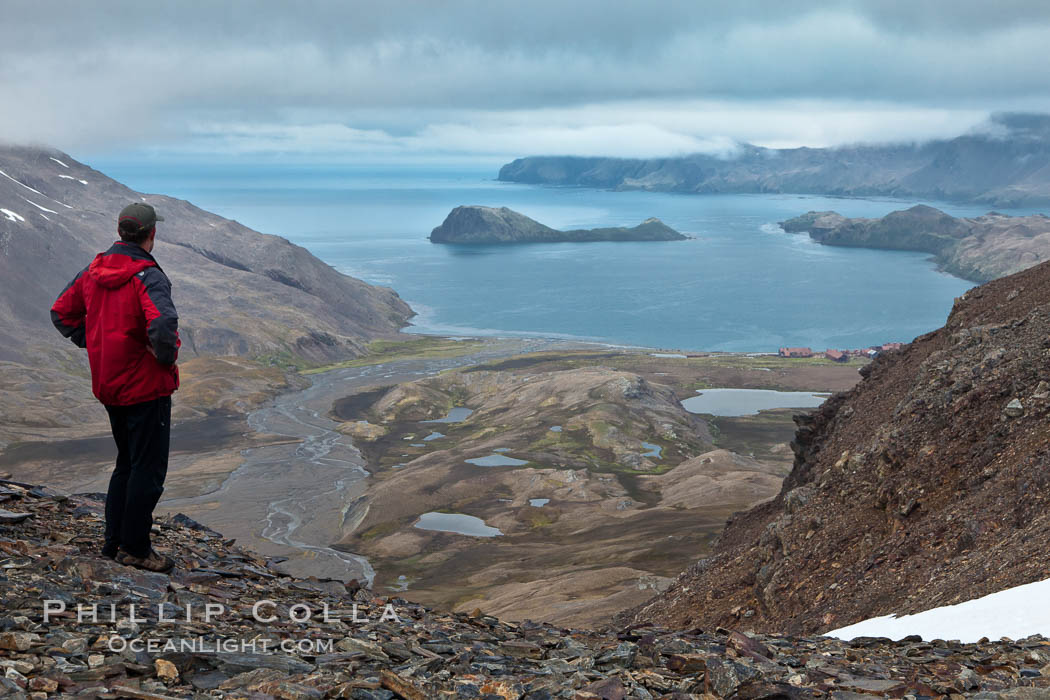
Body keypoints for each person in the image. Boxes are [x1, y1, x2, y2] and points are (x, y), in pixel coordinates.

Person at [51, 203, 180, 573]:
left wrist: (95, 344)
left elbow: (61, 312)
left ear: (121, 231)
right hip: (145, 386)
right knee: (148, 469)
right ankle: (136, 549)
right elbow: (163, 323)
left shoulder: (93, 271)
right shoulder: (146, 274)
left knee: (126, 462)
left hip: (110, 385)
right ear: (151, 234)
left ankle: (114, 543)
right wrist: (164, 359)